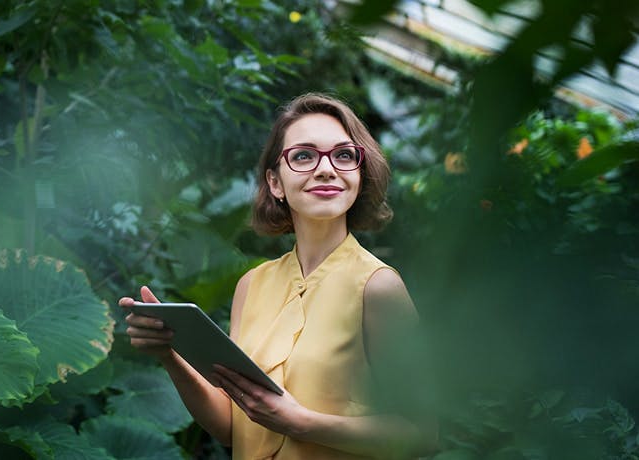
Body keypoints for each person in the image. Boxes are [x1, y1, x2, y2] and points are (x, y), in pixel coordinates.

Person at [119, 93, 436, 459]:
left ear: (360, 175)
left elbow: (422, 434)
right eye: (303, 156)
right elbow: (230, 427)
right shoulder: (251, 285)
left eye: (344, 155)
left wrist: (300, 422)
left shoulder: (378, 286)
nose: (326, 168)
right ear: (275, 183)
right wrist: (169, 355)